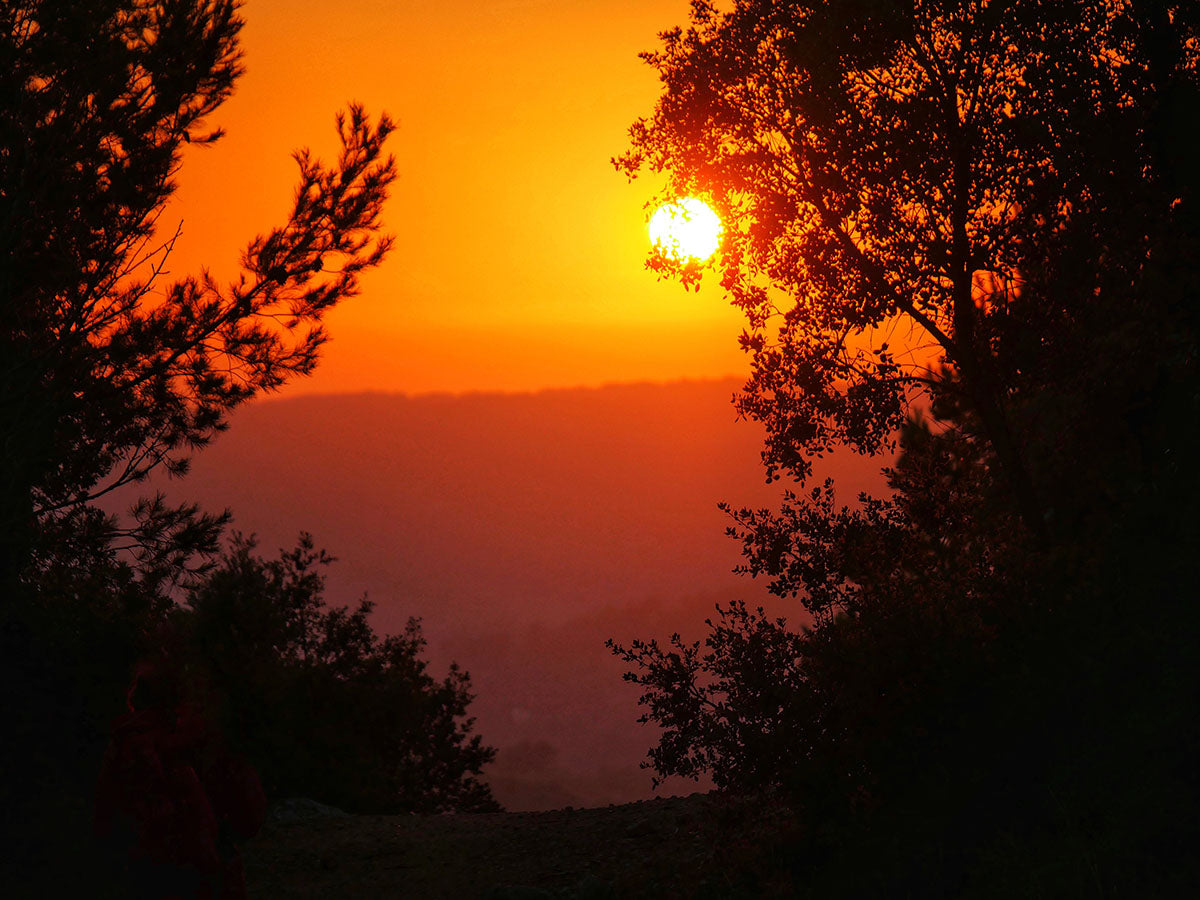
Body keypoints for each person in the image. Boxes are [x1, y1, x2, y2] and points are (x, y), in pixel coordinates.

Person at [95, 645, 266, 900]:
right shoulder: (180, 753)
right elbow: (241, 822)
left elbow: (103, 817)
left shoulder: (120, 747)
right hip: (190, 879)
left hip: (140, 875)